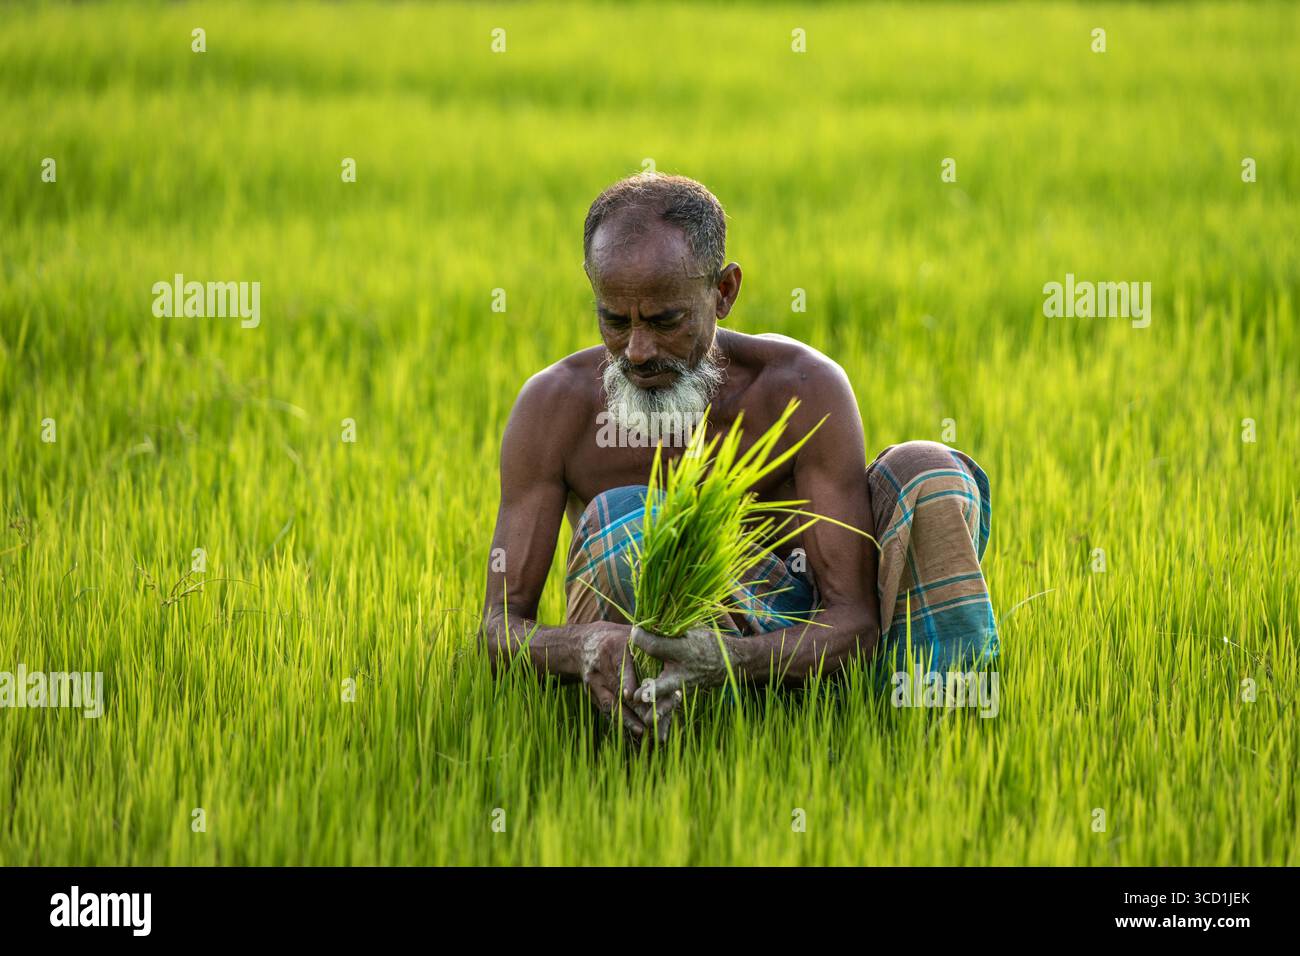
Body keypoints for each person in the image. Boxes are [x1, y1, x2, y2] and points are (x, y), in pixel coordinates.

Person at [480, 173, 997, 744]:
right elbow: (499, 626)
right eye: (614, 319)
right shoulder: (555, 409)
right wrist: (583, 646)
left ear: (724, 292)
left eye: (665, 321)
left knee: (929, 472)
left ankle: (937, 736)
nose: (638, 351)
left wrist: (734, 657)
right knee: (622, 517)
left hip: (803, 643)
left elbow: (854, 620)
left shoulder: (801, 388)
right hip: (657, 662)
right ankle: (658, 757)